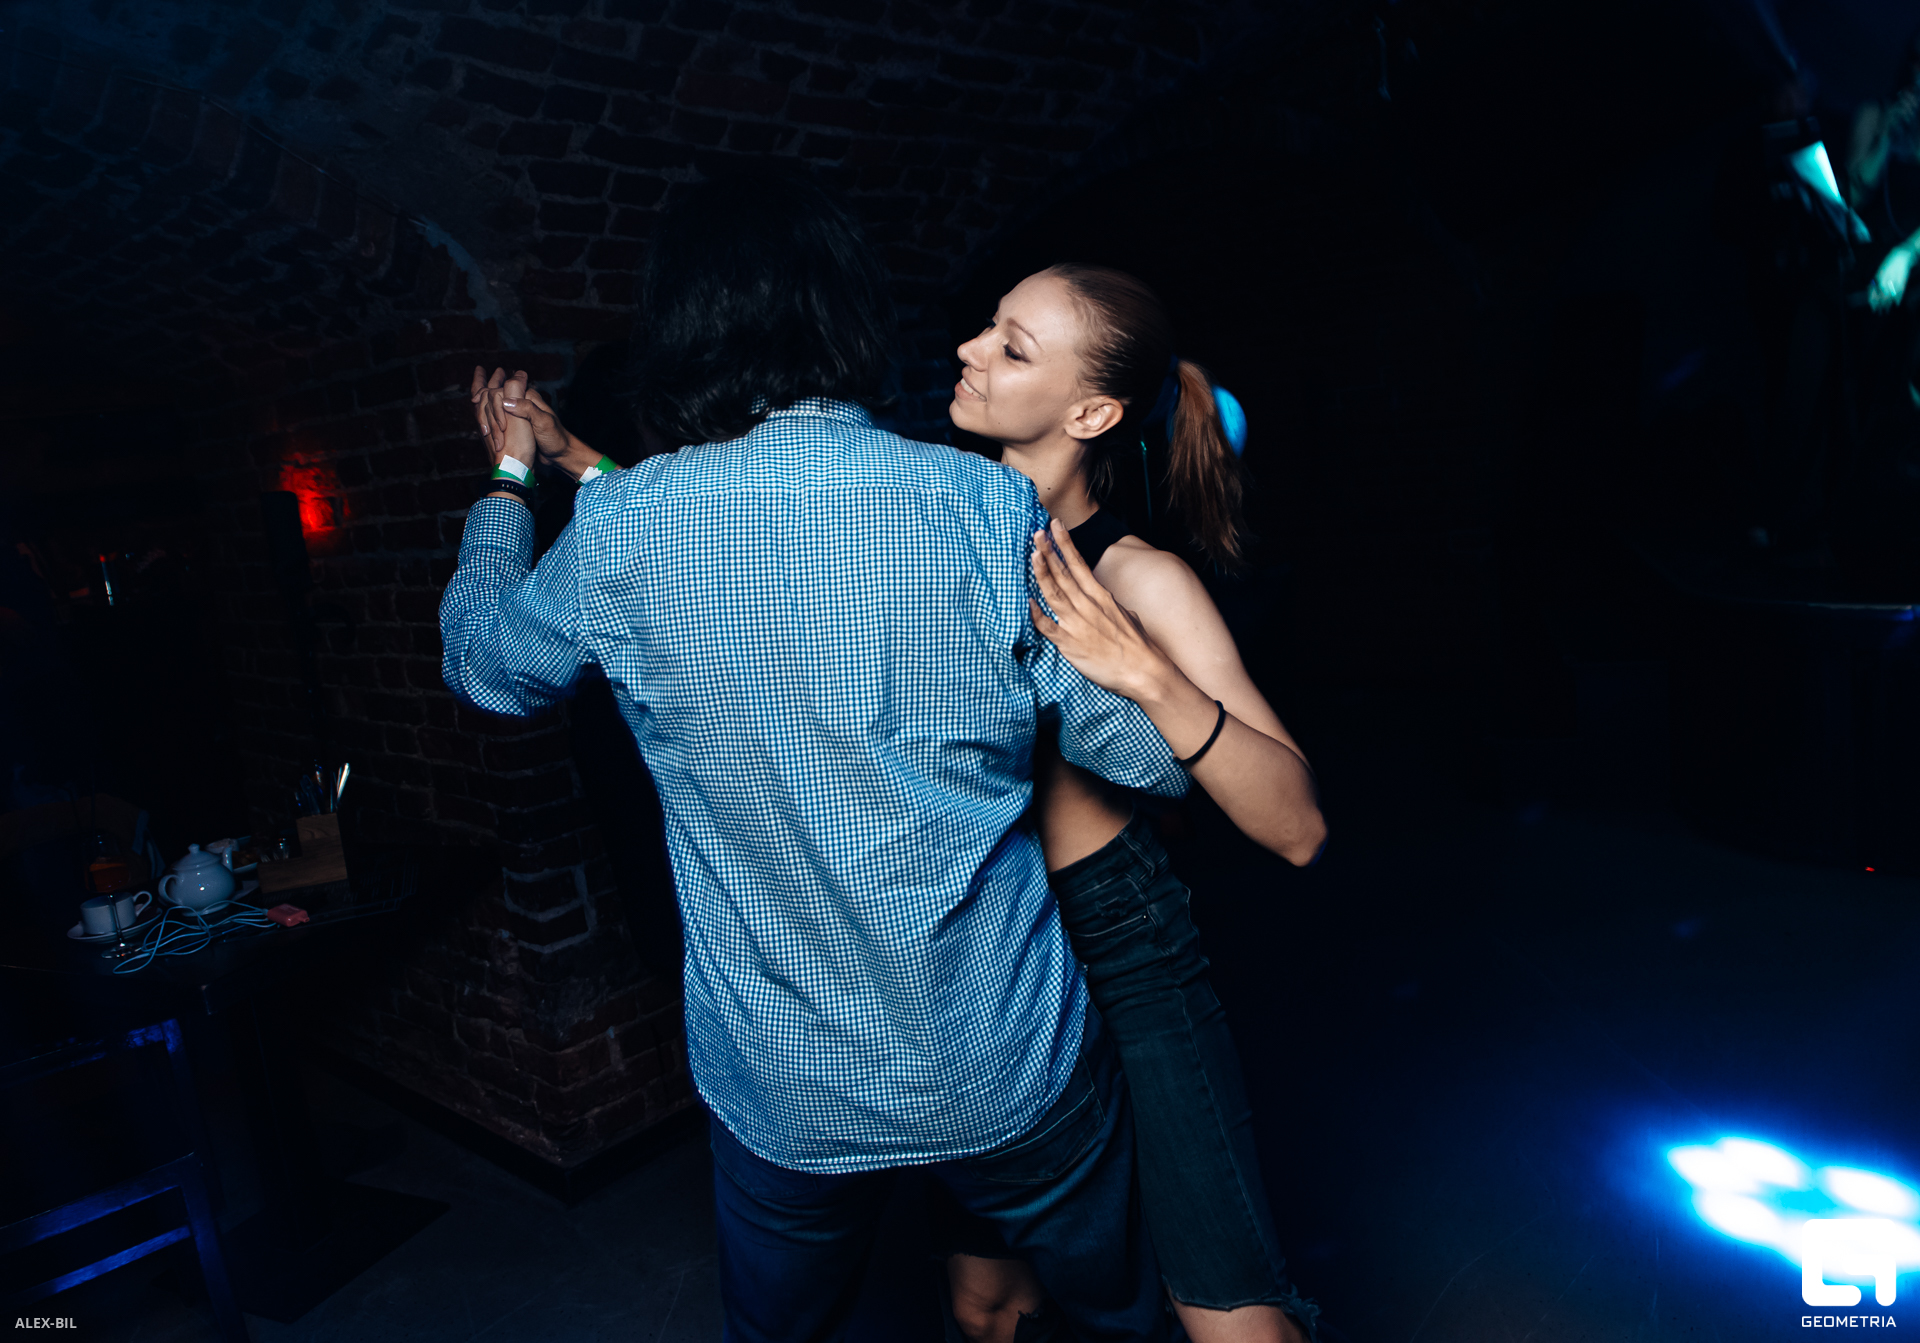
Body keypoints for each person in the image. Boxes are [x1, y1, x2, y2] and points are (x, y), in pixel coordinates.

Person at [443, 169, 1195, 1342]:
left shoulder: (629, 527)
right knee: (1122, 1312)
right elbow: (1144, 761)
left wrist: (508, 478)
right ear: (847, 316)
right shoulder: (981, 506)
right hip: (1001, 1057)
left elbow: (488, 667)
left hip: (790, 1091)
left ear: (684, 327)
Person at [938, 263, 1327, 1343]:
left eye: (1012, 346)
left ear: (1092, 413)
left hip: (1118, 941)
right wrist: (578, 466)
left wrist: (1146, 673)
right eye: (987, 328)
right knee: (986, 1301)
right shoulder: (926, 531)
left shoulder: (1143, 577)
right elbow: (743, 555)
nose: (970, 350)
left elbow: (1298, 826)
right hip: (977, 942)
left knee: (1234, 1323)